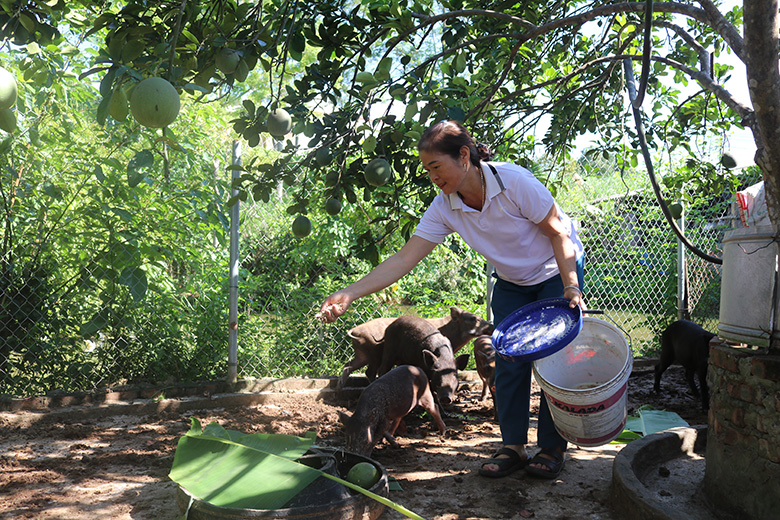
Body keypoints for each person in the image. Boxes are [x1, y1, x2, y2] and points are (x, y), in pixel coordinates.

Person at [318, 120, 585, 480]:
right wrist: (349, 292)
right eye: (427, 169)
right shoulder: (445, 206)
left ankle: (552, 447)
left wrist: (571, 288)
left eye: (435, 166)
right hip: (511, 282)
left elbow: (559, 233)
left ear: (463, 156)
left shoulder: (514, 182)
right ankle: (514, 446)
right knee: (508, 359)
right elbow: (403, 259)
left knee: (552, 362)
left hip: (556, 270)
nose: (432, 176)